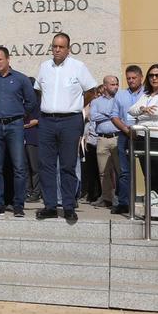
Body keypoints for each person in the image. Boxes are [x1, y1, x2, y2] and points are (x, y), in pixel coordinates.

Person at [35, 33, 98, 224]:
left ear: (68, 49)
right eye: (54, 46)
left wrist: (77, 105)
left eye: (61, 47)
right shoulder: (44, 67)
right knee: (46, 165)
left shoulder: (78, 67)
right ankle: (50, 206)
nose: (57, 50)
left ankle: (69, 206)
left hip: (70, 120)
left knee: (68, 164)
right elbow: (38, 91)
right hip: (47, 120)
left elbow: (91, 91)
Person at [0, 46, 37, 218]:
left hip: (15, 126)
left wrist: (19, 115)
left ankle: (18, 204)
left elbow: (31, 101)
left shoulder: (21, 79)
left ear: (7, 59)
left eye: (0, 59)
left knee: (19, 167)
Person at [129, 64, 158, 205]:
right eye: (151, 75)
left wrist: (141, 115)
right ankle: (155, 206)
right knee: (149, 176)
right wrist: (144, 109)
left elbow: (157, 112)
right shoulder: (146, 95)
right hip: (143, 138)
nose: (154, 78)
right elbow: (131, 110)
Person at [108, 65, 144, 215]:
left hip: (143, 134)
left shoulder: (148, 94)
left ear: (141, 77)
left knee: (148, 169)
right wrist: (126, 130)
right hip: (125, 133)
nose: (131, 81)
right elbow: (113, 116)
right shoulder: (120, 95)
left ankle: (152, 201)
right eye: (128, 78)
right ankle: (124, 203)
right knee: (124, 171)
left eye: (134, 78)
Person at [87, 77, 120, 208]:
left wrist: (107, 115)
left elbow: (121, 116)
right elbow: (93, 116)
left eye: (117, 84)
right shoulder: (96, 102)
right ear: (105, 86)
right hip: (101, 139)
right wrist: (111, 115)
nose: (116, 87)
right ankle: (106, 198)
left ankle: (121, 198)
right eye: (112, 84)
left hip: (117, 137)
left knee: (120, 171)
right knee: (103, 171)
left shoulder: (119, 100)